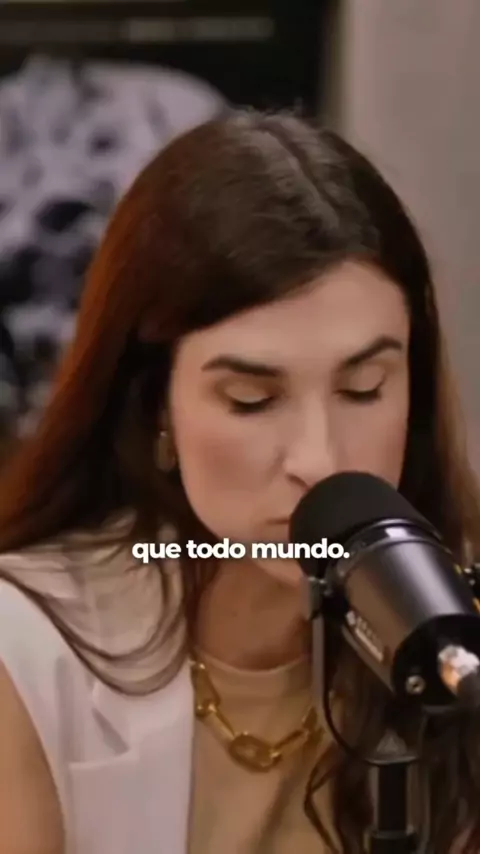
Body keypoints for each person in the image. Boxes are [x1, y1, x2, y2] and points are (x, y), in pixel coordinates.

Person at [0, 109, 478, 854]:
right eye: (252, 399)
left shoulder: (452, 634)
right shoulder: (25, 652)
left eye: (363, 389)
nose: (319, 458)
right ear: (157, 406)